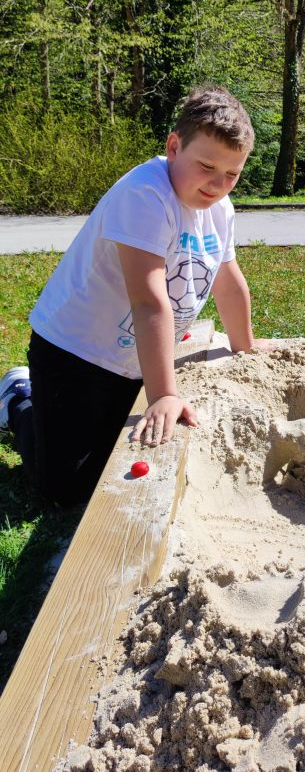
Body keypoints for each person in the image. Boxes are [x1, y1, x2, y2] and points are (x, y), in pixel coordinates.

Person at [0, 85, 269, 507]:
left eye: (232, 174)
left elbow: (228, 279)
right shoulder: (145, 194)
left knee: (121, 446)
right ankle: (20, 398)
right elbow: (149, 302)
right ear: (174, 147)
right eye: (207, 166)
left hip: (134, 356)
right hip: (76, 352)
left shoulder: (220, 208)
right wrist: (164, 395)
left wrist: (244, 345)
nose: (219, 184)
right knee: (67, 488)